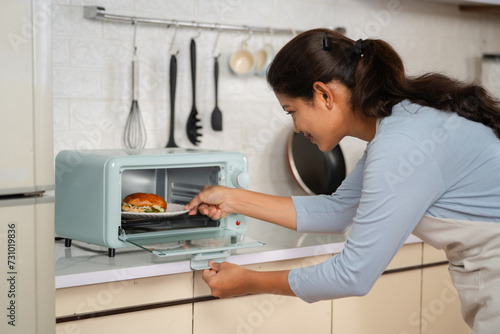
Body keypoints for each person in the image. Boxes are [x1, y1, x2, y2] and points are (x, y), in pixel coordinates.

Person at [185, 28, 500, 333]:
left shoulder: (401, 143)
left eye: (290, 111)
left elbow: (353, 275)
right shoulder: (400, 125)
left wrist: (248, 282)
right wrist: (233, 198)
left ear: (323, 94)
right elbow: (339, 210)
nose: (295, 127)